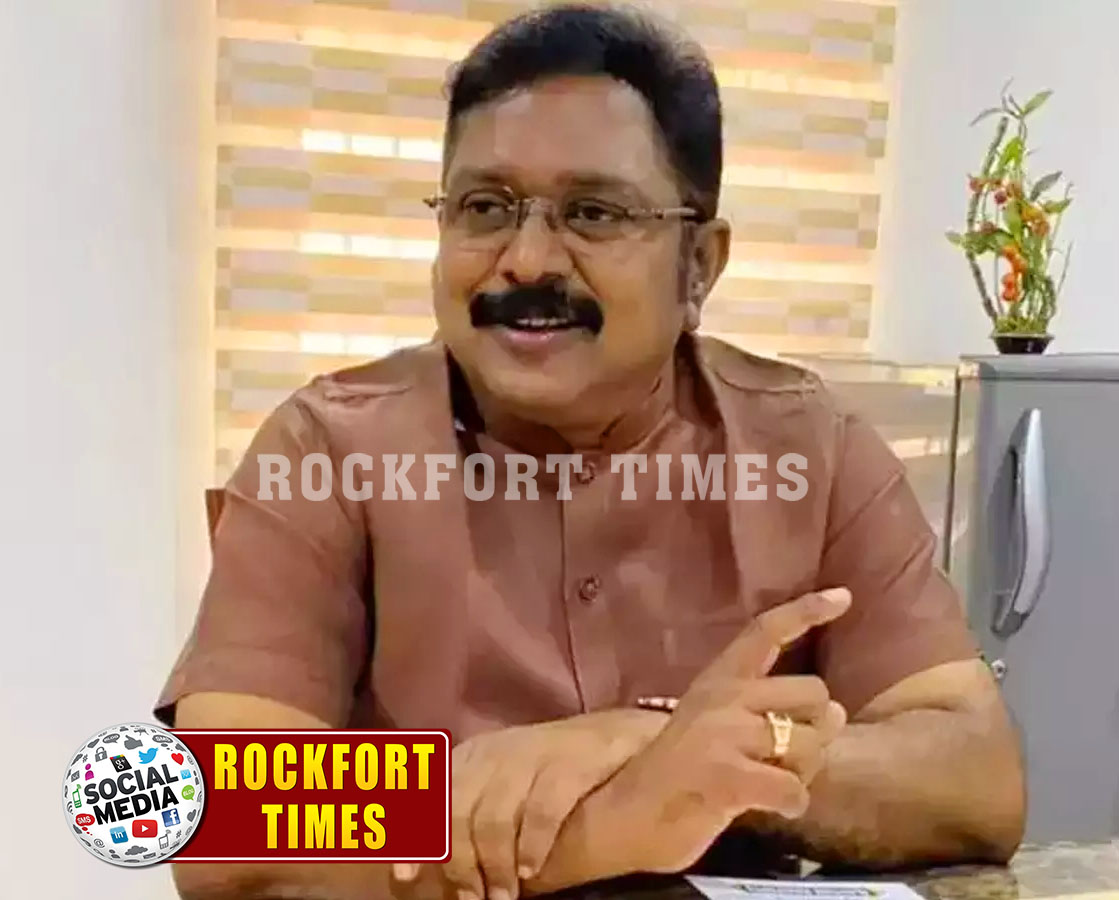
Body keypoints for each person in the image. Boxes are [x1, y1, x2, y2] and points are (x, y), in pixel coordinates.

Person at [162, 4, 1025, 899]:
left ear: (700, 265)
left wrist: (667, 743)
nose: (527, 260)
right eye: (484, 208)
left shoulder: (815, 446)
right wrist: (613, 821)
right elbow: (229, 820)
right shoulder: (328, 448)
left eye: (593, 213)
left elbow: (972, 777)